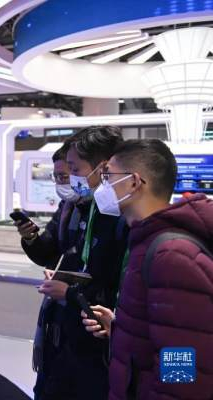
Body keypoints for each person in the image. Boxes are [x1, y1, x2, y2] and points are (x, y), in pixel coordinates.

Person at [81, 139, 213, 399]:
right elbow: (170, 331)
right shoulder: (147, 241)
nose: (101, 186)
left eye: (108, 176)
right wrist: (122, 329)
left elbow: (182, 362)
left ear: (133, 182)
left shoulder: (171, 256)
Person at [30, 126, 128, 400]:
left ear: (104, 168)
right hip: (70, 337)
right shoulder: (83, 207)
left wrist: (71, 293)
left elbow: (178, 346)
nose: (71, 178)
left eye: (73, 169)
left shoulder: (128, 221)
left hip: (97, 350)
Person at [15, 143, 75, 399]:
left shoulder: (110, 214)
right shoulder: (68, 207)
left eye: (68, 175)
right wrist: (31, 238)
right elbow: (48, 251)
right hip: (58, 320)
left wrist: (71, 290)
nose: (61, 182)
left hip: (85, 322)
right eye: (57, 176)